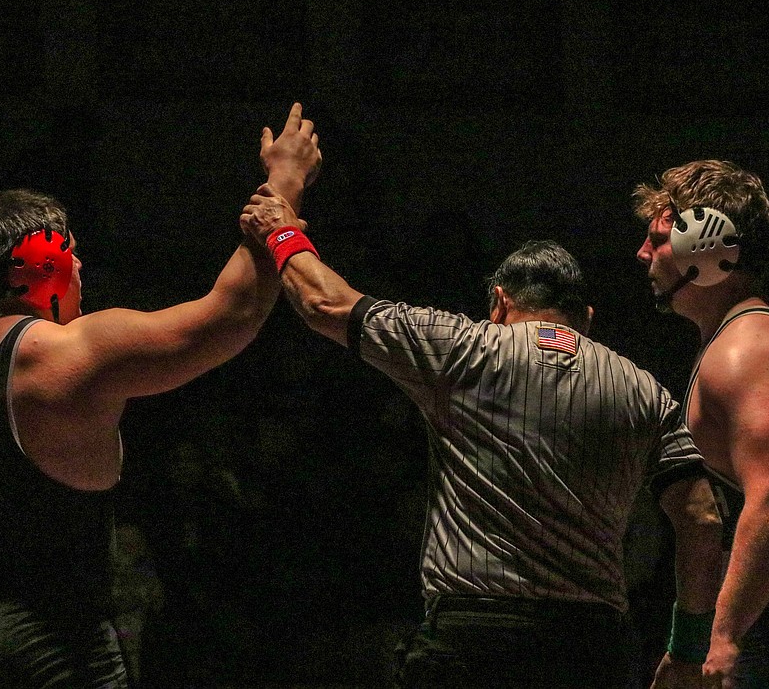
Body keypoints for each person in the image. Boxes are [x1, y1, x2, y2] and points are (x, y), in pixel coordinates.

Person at [0, 103, 321, 688]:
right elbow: (232, 315)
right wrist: (284, 187)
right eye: (70, 250)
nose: (80, 262)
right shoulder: (78, 353)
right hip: (53, 649)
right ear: (45, 263)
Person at [239, 184, 724, 689]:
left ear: (499, 303)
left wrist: (281, 231)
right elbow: (702, 515)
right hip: (591, 651)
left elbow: (323, 302)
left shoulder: (462, 348)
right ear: (587, 320)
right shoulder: (645, 390)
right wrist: (687, 648)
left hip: (473, 644)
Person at [634, 160, 769, 688]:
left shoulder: (742, 353)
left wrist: (722, 640)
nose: (642, 254)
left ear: (705, 249)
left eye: (656, 240)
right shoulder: (759, 329)